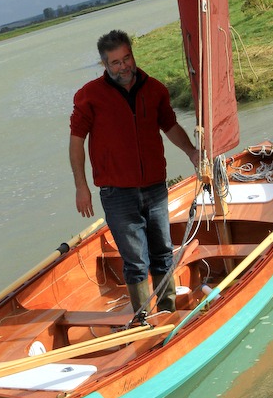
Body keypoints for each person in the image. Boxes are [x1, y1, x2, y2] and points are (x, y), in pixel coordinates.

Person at [69, 29, 198, 315]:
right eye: (116, 62)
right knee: (136, 261)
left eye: (127, 58)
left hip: (155, 189)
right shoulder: (89, 96)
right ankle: (143, 320)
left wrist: (191, 151)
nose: (124, 66)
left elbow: (171, 126)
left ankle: (166, 313)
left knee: (163, 253)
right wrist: (81, 186)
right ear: (104, 64)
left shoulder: (155, 89)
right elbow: (76, 142)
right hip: (117, 195)